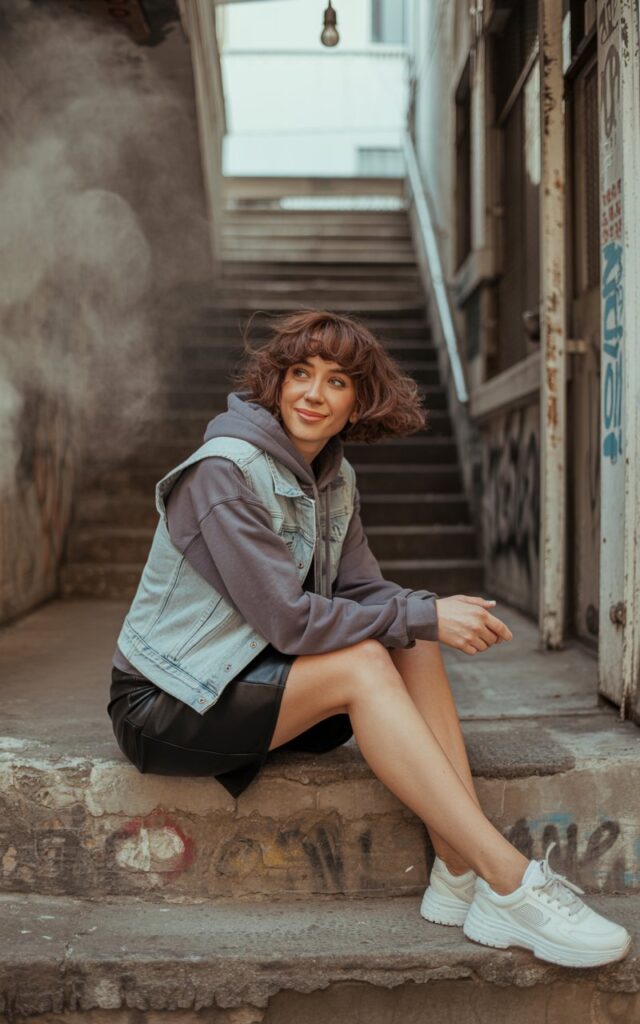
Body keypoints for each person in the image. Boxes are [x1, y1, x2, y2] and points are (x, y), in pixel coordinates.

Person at [108, 309, 630, 969]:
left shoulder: (332, 478)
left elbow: (361, 590)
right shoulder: (225, 472)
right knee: (368, 658)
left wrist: (429, 612)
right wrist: (421, 613)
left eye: (335, 382)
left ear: (358, 403)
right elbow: (289, 622)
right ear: (276, 384)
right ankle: (508, 879)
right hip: (165, 702)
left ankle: (455, 870)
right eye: (300, 374)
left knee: (411, 635)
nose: (312, 394)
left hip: (248, 679)